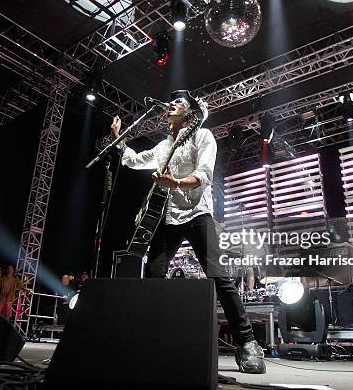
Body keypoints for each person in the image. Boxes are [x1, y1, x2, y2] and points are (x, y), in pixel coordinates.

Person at [110, 90, 266, 374]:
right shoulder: (162, 146)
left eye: (179, 102)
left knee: (220, 277)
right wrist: (119, 139)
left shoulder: (203, 136)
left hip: (197, 214)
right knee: (154, 275)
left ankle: (247, 343)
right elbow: (133, 160)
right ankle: (154, 338)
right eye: (170, 100)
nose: (171, 103)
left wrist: (176, 183)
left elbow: (205, 175)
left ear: (191, 113)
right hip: (168, 217)